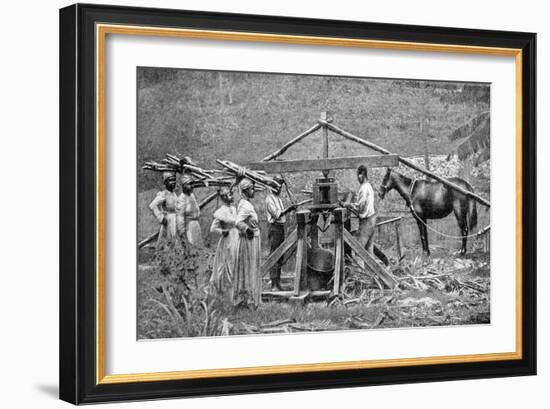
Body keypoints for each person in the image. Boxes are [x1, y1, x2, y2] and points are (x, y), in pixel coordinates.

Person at [232, 178, 262, 309]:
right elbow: (238, 222)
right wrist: (247, 230)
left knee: (251, 268)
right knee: (249, 269)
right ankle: (248, 300)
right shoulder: (245, 205)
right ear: (245, 191)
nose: (253, 191)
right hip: (249, 242)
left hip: (252, 241)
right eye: (252, 189)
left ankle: (249, 298)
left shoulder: (246, 204)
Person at [265, 176, 292, 291]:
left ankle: (278, 282)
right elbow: (277, 215)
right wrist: (289, 209)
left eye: (280, 187)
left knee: (280, 255)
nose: (280, 189)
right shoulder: (269, 199)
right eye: (278, 187)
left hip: (281, 228)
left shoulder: (278, 199)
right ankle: (273, 284)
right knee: (274, 255)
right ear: (273, 187)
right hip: (274, 228)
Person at [209, 188, 238, 295]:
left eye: (231, 194)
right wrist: (222, 231)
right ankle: (225, 289)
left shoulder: (234, 209)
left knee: (236, 261)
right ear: (224, 197)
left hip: (237, 237)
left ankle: (236, 289)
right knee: (227, 263)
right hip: (228, 239)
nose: (232, 197)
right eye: (229, 195)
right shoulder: (221, 212)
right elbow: (213, 228)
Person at [346, 165, 377, 255]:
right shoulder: (369, 186)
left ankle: (359, 269)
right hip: (372, 220)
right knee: (369, 250)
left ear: (362, 174)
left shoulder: (363, 188)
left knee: (359, 252)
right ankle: (369, 269)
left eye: (358, 175)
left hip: (366, 222)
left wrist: (349, 205)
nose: (357, 178)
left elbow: (360, 207)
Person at [148, 171, 180, 247]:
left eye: (174, 180)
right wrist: (161, 218)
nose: (173, 183)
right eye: (170, 180)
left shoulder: (174, 194)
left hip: (175, 220)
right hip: (169, 221)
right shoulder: (163, 194)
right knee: (168, 242)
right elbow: (152, 206)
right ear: (165, 182)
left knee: (176, 241)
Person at [176, 174, 204, 247]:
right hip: (188, 228)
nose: (192, 186)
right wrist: (183, 235)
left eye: (193, 184)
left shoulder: (192, 196)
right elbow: (180, 218)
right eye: (189, 184)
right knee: (191, 249)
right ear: (184, 185)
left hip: (196, 227)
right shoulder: (181, 198)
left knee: (198, 249)